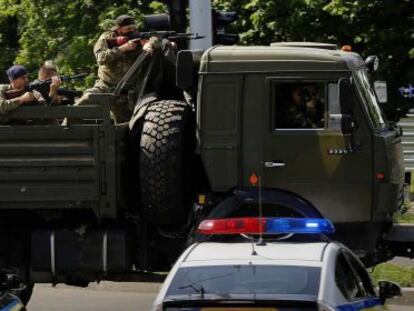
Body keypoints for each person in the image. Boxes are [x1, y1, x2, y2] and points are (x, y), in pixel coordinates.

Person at [75, 14, 162, 123]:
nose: (132, 31)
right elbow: (101, 58)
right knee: (87, 98)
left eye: (133, 28)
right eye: (128, 29)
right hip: (105, 85)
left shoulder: (139, 37)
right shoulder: (107, 37)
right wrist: (123, 48)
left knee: (127, 128)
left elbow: (156, 42)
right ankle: (64, 128)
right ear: (119, 29)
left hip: (127, 92)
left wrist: (151, 44)